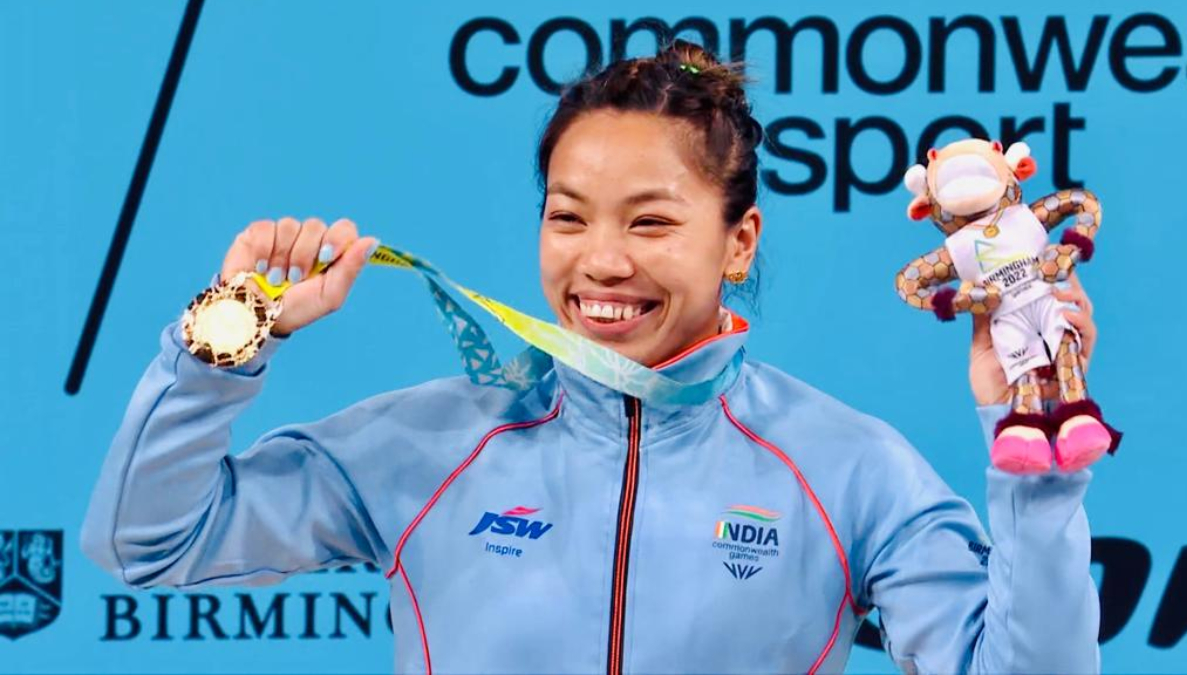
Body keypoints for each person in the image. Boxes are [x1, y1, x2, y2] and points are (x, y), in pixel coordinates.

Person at [82, 41, 1102, 674]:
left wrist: (1040, 480)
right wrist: (227, 333)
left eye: (651, 222)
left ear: (737, 242)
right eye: (567, 218)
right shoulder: (432, 445)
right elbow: (144, 540)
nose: (600, 261)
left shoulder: (847, 470)